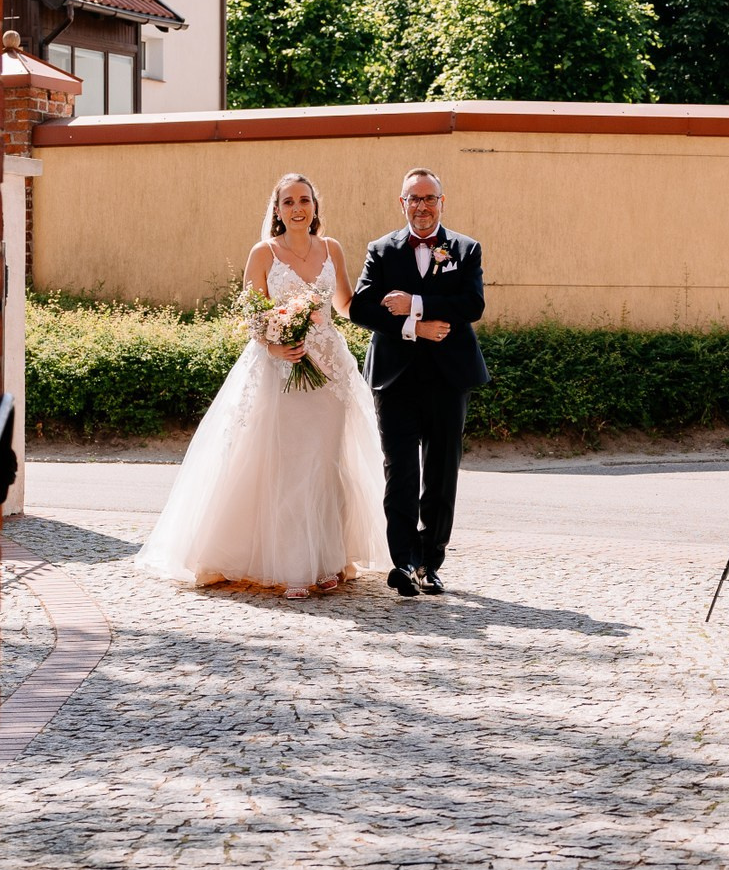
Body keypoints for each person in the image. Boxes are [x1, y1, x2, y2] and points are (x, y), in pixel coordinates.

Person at [134, 174, 388, 597]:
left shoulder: (333, 249)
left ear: (315, 206)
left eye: (304, 200)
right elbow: (254, 317)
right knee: (288, 464)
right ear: (277, 210)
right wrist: (275, 344)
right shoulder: (263, 253)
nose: (297, 208)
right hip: (281, 370)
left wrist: (385, 308)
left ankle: (325, 559)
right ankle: (292, 568)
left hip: (329, 371)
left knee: (325, 463)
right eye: (288, 201)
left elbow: (344, 303)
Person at [347, 168, 489, 595]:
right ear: (402, 203)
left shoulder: (465, 249)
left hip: (449, 379)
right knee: (401, 473)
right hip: (395, 380)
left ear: (442, 202)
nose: (422, 206)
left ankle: (431, 562)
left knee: (442, 473)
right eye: (414, 199)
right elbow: (360, 309)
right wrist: (414, 326)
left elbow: (472, 304)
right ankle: (404, 563)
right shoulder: (381, 250)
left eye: (430, 198)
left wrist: (417, 303)